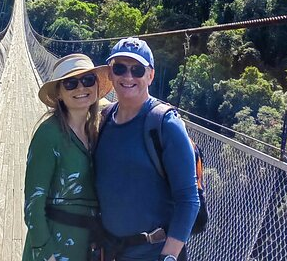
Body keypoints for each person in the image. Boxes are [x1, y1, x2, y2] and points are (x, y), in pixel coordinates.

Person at [94, 38, 199, 261]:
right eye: (120, 68)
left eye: (138, 70)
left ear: (150, 75)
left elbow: (188, 198)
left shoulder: (165, 124)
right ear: (110, 74)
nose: (128, 77)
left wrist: (169, 257)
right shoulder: (103, 120)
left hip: (151, 253)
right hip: (109, 250)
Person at [23, 53, 113, 261]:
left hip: (88, 244)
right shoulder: (49, 134)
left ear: (96, 86)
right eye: (71, 84)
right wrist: (46, 253)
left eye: (88, 80)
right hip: (55, 245)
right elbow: (33, 203)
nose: (81, 88)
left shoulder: (99, 131)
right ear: (59, 94)